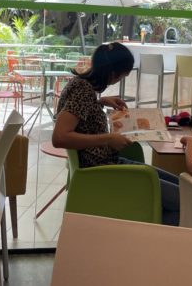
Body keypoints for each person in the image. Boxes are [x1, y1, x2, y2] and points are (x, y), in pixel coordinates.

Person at [51, 42, 180, 225]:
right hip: (103, 172)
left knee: (182, 189)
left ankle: (148, 229)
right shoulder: (83, 90)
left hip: (108, 163)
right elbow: (59, 137)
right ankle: (149, 235)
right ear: (112, 73)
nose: (118, 81)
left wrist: (101, 101)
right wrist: (108, 138)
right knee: (184, 200)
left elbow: (79, 116)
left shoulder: (81, 86)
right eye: (121, 76)